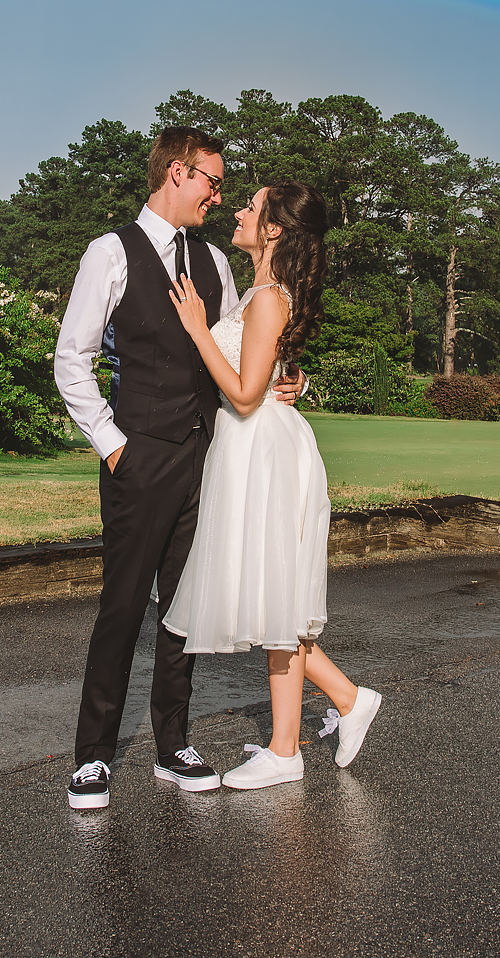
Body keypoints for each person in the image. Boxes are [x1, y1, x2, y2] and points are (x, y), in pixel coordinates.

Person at [53, 126, 301, 810]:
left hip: (205, 453)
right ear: (175, 173)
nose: (219, 197)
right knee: (123, 605)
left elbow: (238, 353)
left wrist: (288, 380)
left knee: (182, 608)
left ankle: (173, 743)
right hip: (139, 453)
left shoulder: (215, 262)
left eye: (223, 187)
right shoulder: (110, 253)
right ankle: (94, 754)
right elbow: (70, 359)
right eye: (212, 182)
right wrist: (112, 443)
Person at [162, 180, 384, 790]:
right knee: (270, 601)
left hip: (263, 452)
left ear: (274, 230)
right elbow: (267, 371)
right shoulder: (262, 291)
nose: (237, 211)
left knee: (273, 599)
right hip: (254, 448)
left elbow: (243, 392)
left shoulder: (266, 297)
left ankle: (290, 747)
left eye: (251, 208)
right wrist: (295, 379)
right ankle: (337, 707)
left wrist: (197, 327)